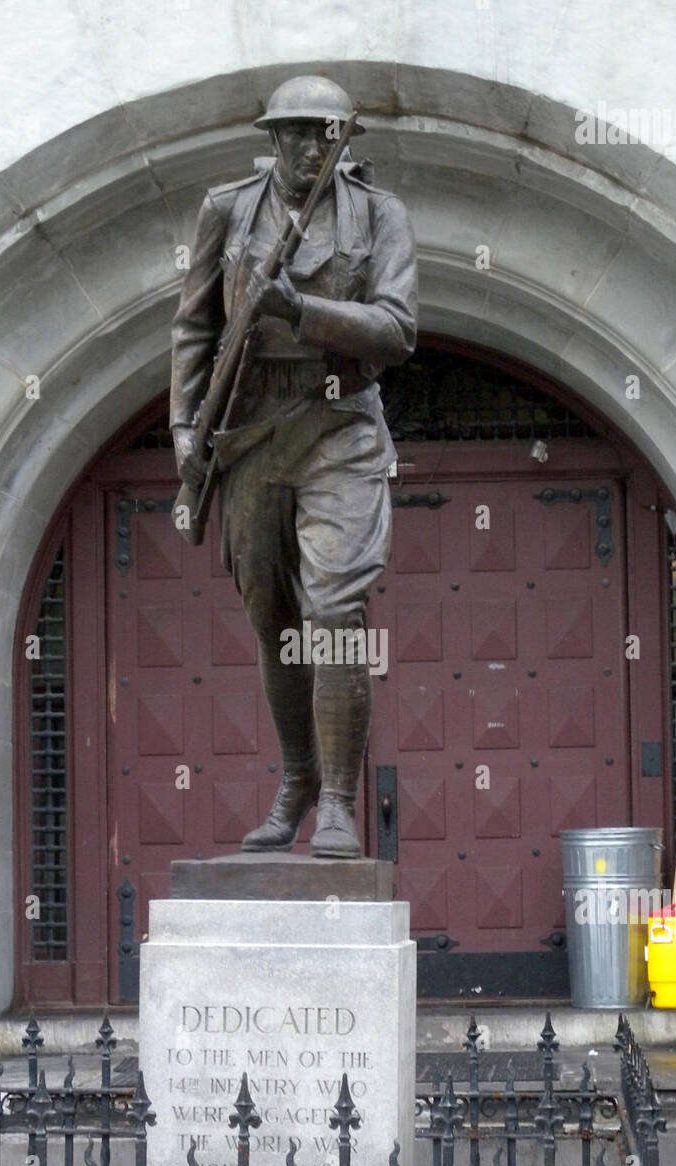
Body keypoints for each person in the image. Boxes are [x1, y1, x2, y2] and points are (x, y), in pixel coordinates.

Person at [170, 76, 418, 858]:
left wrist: (300, 311)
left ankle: (340, 804)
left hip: (338, 424)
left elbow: (396, 327)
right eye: (295, 133)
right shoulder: (225, 209)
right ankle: (297, 783)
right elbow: (193, 326)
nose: (310, 147)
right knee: (275, 626)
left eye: (324, 133)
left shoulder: (378, 215)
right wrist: (183, 426)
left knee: (334, 613)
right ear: (270, 137)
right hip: (247, 430)